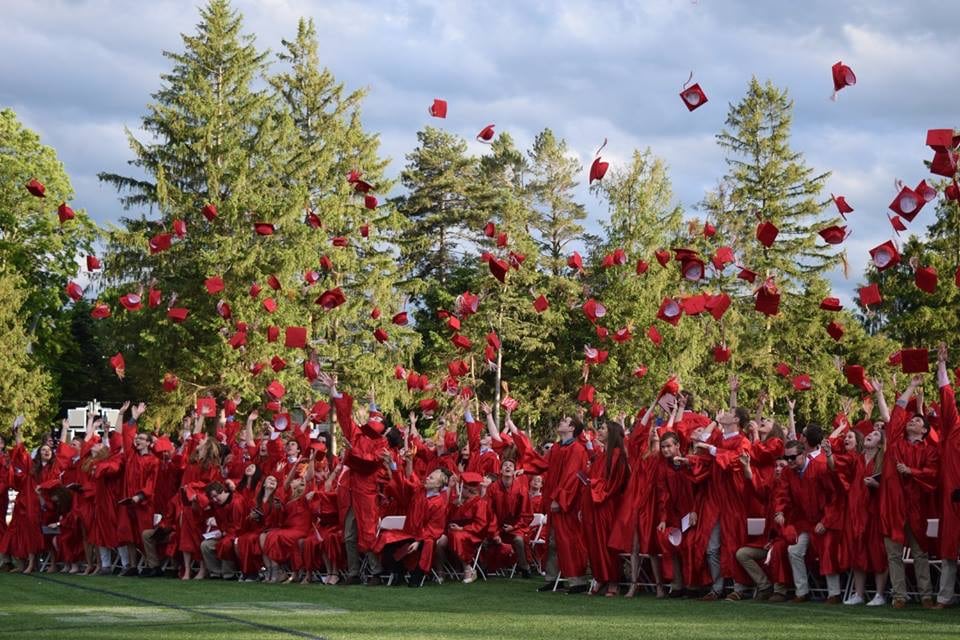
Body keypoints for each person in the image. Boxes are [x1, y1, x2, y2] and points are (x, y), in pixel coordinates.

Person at [875, 374, 939, 608]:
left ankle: (926, 596)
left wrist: (911, 471)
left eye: (917, 421)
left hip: (915, 507)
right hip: (892, 505)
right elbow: (899, 410)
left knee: (920, 553)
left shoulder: (929, 451)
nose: (911, 421)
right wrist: (911, 386)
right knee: (893, 554)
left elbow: (932, 474)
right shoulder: (895, 443)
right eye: (911, 421)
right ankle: (899, 596)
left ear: (924, 431)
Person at [537, 415, 589, 593]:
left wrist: (560, 499)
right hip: (554, 501)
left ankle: (577, 581)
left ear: (572, 428)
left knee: (568, 541)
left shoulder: (577, 449)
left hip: (568, 504)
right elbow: (542, 465)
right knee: (552, 541)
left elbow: (571, 477)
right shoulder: (557, 448)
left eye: (565, 421)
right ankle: (553, 578)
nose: (561, 421)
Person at [581, 419, 629, 596]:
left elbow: (613, 484)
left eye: (602, 428)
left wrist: (592, 482)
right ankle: (600, 577)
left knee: (607, 544)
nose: (598, 431)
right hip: (593, 505)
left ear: (612, 432)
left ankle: (613, 581)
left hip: (607, 505)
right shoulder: (601, 455)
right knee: (594, 543)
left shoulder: (617, 454)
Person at [934, 343, 959, 608]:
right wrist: (942, 365)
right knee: (949, 549)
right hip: (954, 498)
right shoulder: (954, 428)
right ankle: (944, 597)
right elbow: (947, 396)